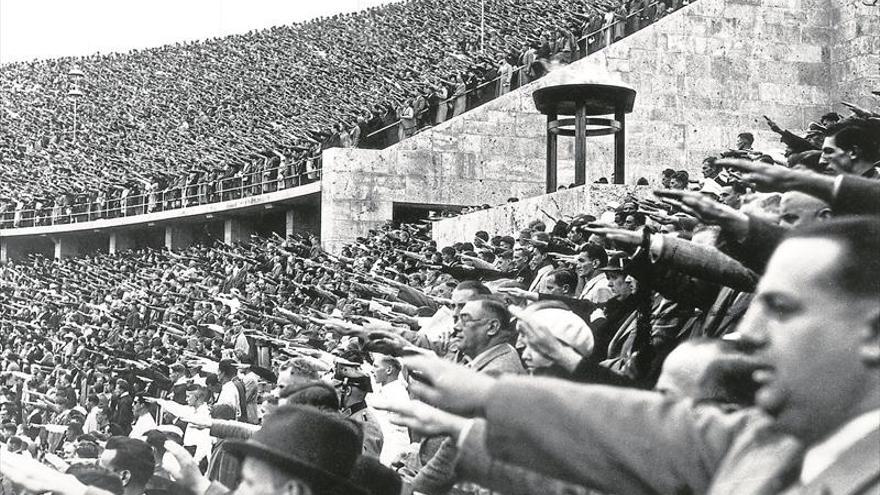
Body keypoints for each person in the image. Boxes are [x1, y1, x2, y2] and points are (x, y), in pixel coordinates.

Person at [391, 216, 880, 495]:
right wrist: (481, 403)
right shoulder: (770, 439)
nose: (748, 333)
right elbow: (642, 425)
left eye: (780, 308)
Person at [369, 356, 411, 465]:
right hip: (382, 447)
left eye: (376, 367)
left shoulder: (398, 393)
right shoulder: (385, 389)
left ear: (388, 370)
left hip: (391, 451)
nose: (372, 370)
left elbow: (398, 431)